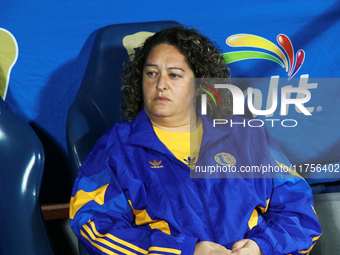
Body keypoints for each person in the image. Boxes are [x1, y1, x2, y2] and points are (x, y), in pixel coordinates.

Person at [69, 25, 322, 255]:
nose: (160, 85)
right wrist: (183, 250)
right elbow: (93, 224)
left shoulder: (246, 135)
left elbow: (300, 215)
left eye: (175, 75)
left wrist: (259, 247)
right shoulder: (118, 147)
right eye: (151, 73)